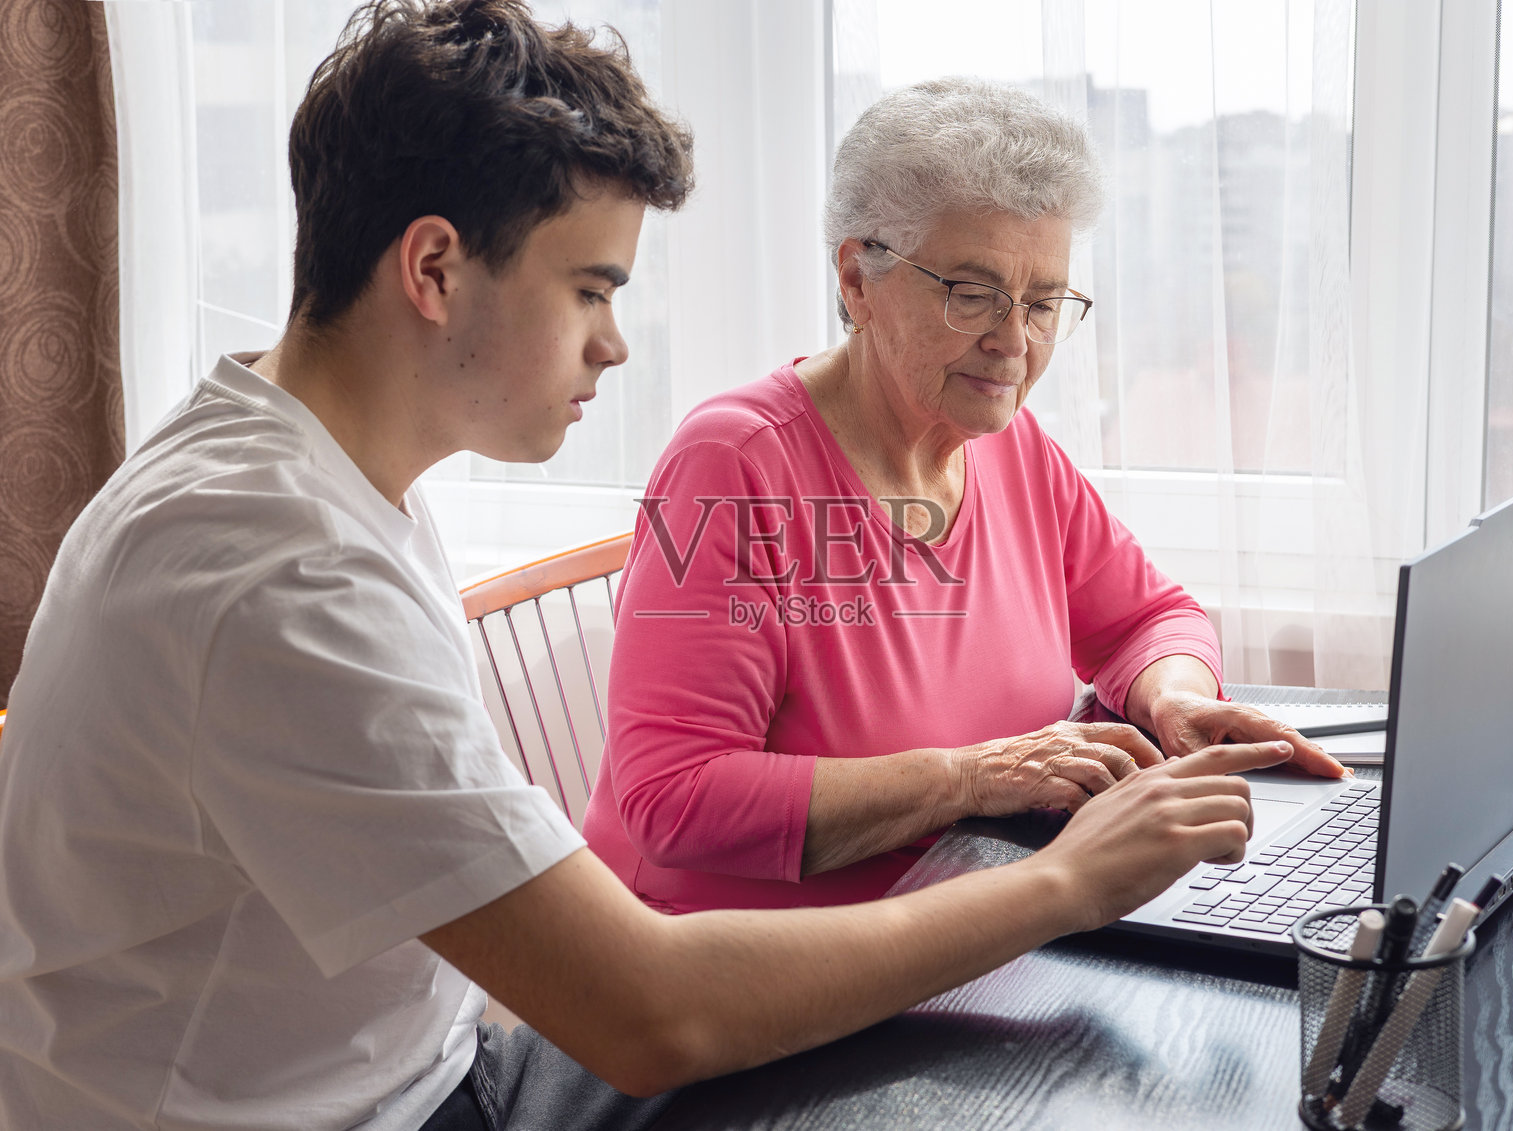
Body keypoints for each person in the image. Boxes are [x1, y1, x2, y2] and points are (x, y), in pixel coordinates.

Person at [0, 5, 1294, 1129]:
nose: (617, 346)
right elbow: (646, 1008)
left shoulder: (318, 483)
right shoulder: (275, 577)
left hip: (439, 1066)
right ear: (435, 268)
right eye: (592, 289)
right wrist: (1062, 881)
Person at [582, 77, 1347, 915]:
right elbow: (676, 801)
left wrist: (1179, 699)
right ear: (858, 280)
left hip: (979, 931)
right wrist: (974, 778)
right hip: (758, 981)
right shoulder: (732, 466)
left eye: (1044, 302)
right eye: (972, 293)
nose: (1014, 340)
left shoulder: (1010, 446)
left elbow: (1147, 618)